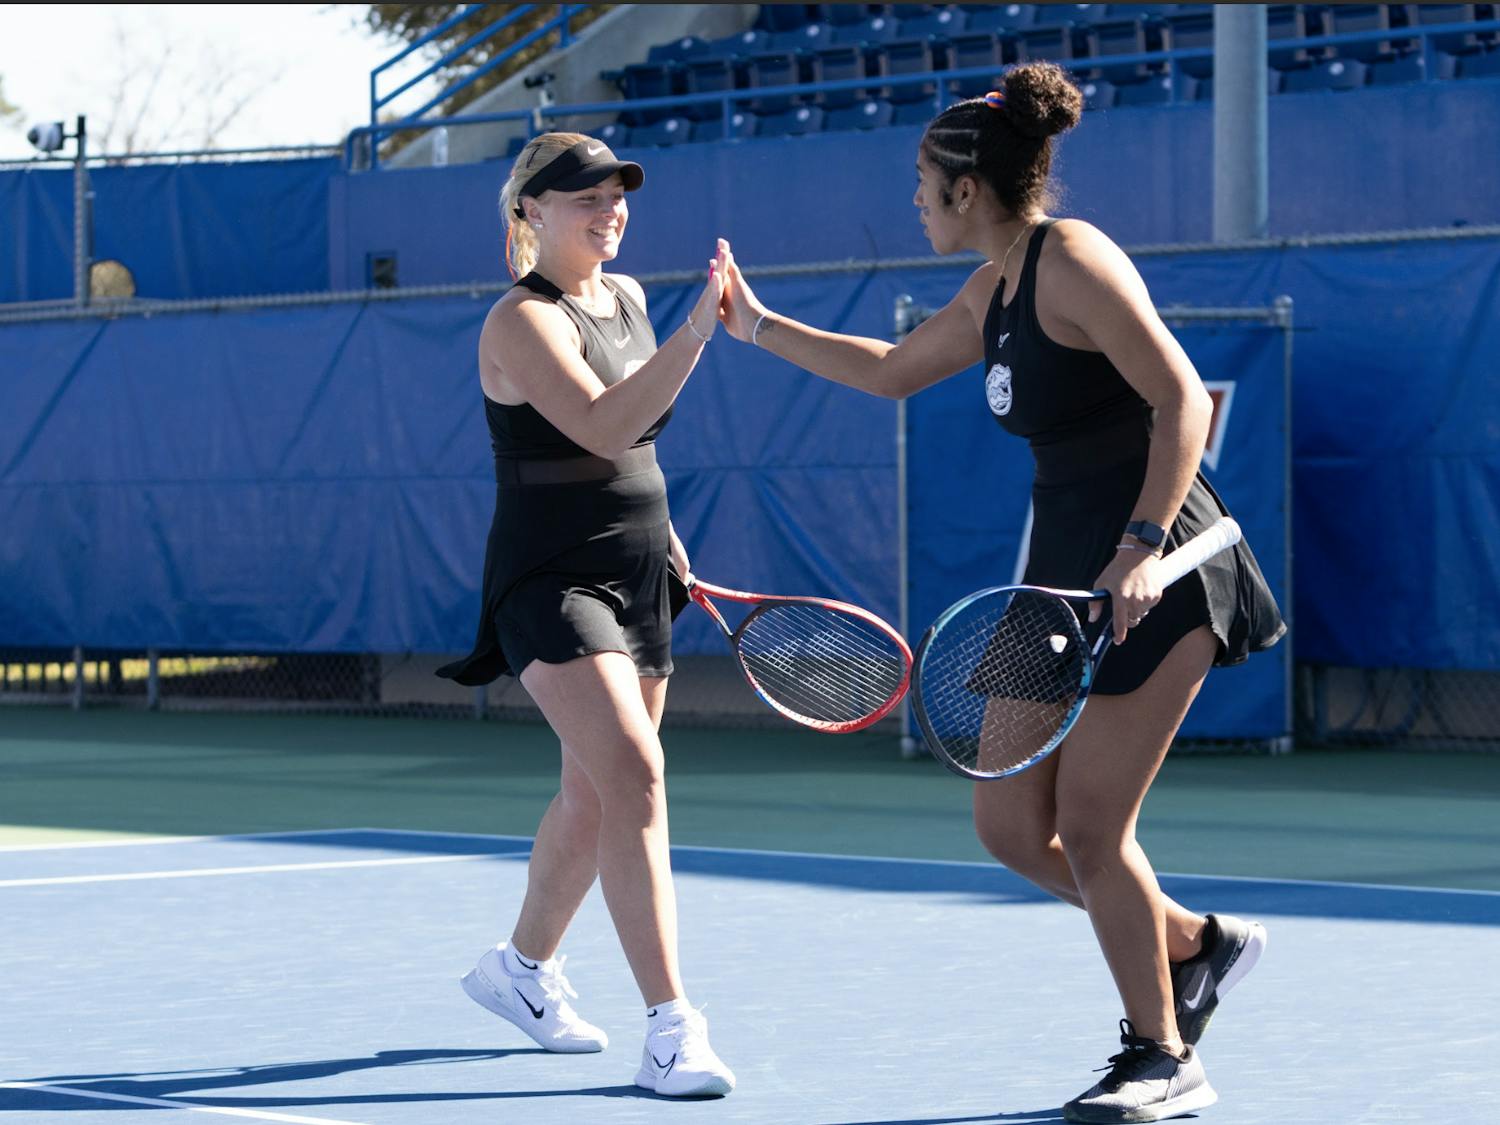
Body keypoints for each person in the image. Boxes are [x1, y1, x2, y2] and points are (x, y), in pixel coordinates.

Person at [715, 64, 1284, 1124]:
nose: (915, 202)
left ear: (966, 189)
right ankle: (1196, 947)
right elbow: (890, 367)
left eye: (921, 185)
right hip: (1058, 582)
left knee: (1095, 826)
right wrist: (753, 325)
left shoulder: (1072, 261)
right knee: (1010, 826)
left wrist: (1143, 548)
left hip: (1156, 571)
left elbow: (1180, 400)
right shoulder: (998, 283)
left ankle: (1161, 1054)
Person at [436, 132, 734, 1098]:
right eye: (583, 198)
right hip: (550, 578)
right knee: (638, 771)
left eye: (616, 195)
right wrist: (699, 334)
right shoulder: (520, 320)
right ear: (530, 213)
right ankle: (672, 1027)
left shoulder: (631, 296)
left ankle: (518, 971)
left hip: (641, 563)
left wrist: (669, 532)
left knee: (596, 792)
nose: (610, 210)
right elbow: (604, 421)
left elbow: (631, 449)